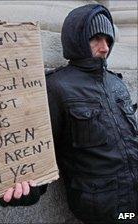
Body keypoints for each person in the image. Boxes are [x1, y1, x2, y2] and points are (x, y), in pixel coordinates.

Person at [46, 4, 138, 224]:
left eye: (108, 39)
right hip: (103, 207)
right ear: (77, 39)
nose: (104, 47)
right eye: (95, 38)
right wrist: (26, 191)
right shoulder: (57, 86)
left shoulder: (116, 83)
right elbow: (41, 153)